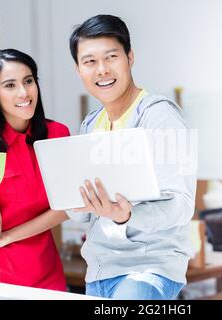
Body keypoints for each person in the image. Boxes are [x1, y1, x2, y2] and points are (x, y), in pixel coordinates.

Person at [66, 14, 197, 299]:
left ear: (130, 58)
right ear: (78, 70)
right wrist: (75, 201)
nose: (101, 70)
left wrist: (127, 215)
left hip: (148, 269)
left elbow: (182, 205)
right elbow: (84, 216)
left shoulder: (162, 117)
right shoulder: (90, 124)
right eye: (89, 61)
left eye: (111, 57)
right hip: (100, 270)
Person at [0, 49, 69, 291]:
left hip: (46, 270)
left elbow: (67, 208)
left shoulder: (57, 135)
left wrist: (9, 236)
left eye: (28, 81)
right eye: (10, 85)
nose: (24, 92)